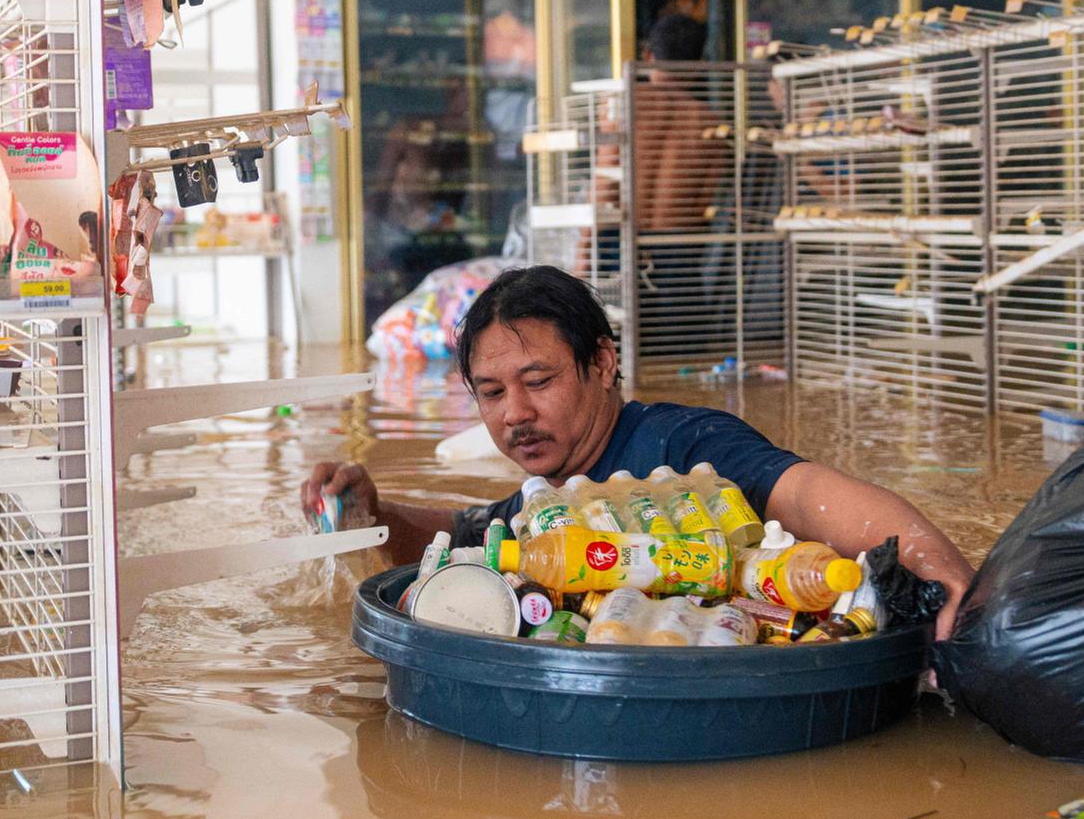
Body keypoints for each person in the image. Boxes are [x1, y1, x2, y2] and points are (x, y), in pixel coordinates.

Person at [304, 265, 977, 638]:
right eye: (490, 392)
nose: (515, 413)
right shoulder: (553, 502)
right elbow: (468, 533)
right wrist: (373, 510)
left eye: (539, 381)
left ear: (602, 362)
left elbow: (806, 494)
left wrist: (933, 569)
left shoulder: (683, 446)